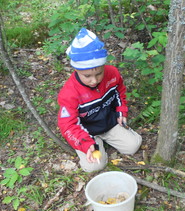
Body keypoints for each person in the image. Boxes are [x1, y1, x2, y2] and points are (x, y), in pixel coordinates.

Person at [57, 28, 142, 172]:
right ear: (76, 70)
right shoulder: (70, 93)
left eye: (98, 73)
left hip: (109, 123)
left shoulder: (112, 73)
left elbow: (119, 92)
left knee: (133, 145)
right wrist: (85, 143)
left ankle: (105, 138)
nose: (94, 81)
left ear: (103, 66)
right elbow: (68, 125)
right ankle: (94, 143)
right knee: (94, 166)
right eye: (87, 76)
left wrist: (121, 111)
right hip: (86, 131)